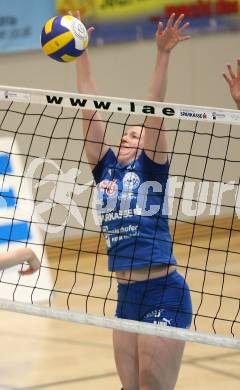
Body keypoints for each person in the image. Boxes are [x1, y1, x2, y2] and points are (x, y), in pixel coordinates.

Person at [74, 10, 192, 390]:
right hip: (126, 294)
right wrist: (80, 51)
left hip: (163, 290)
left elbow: (155, 107)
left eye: (136, 134)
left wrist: (163, 54)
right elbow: (88, 110)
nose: (128, 136)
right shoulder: (104, 169)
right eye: (125, 133)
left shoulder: (152, 170)